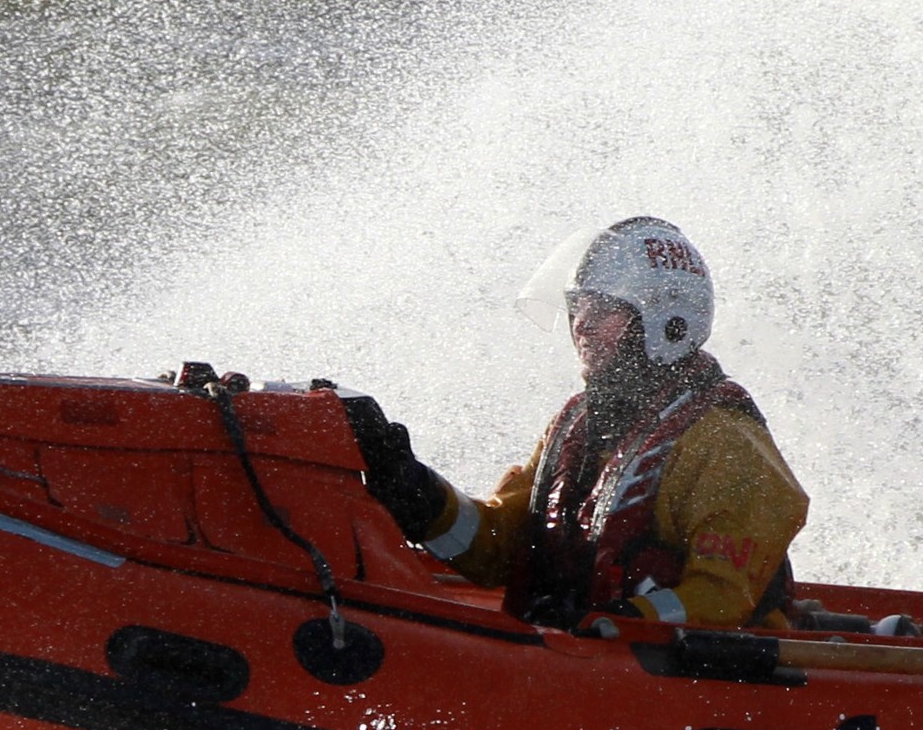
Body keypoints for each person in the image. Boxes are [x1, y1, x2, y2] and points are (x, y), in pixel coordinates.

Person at [347, 216, 810, 631]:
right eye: (577, 306)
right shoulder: (577, 426)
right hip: (578, 669)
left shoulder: (724, 441)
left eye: (602, 310)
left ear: (668, 321)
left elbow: (725, 599)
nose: (580, 325)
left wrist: (620, 624)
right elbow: (498, 554)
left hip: (684, 685)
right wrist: (416, 491)